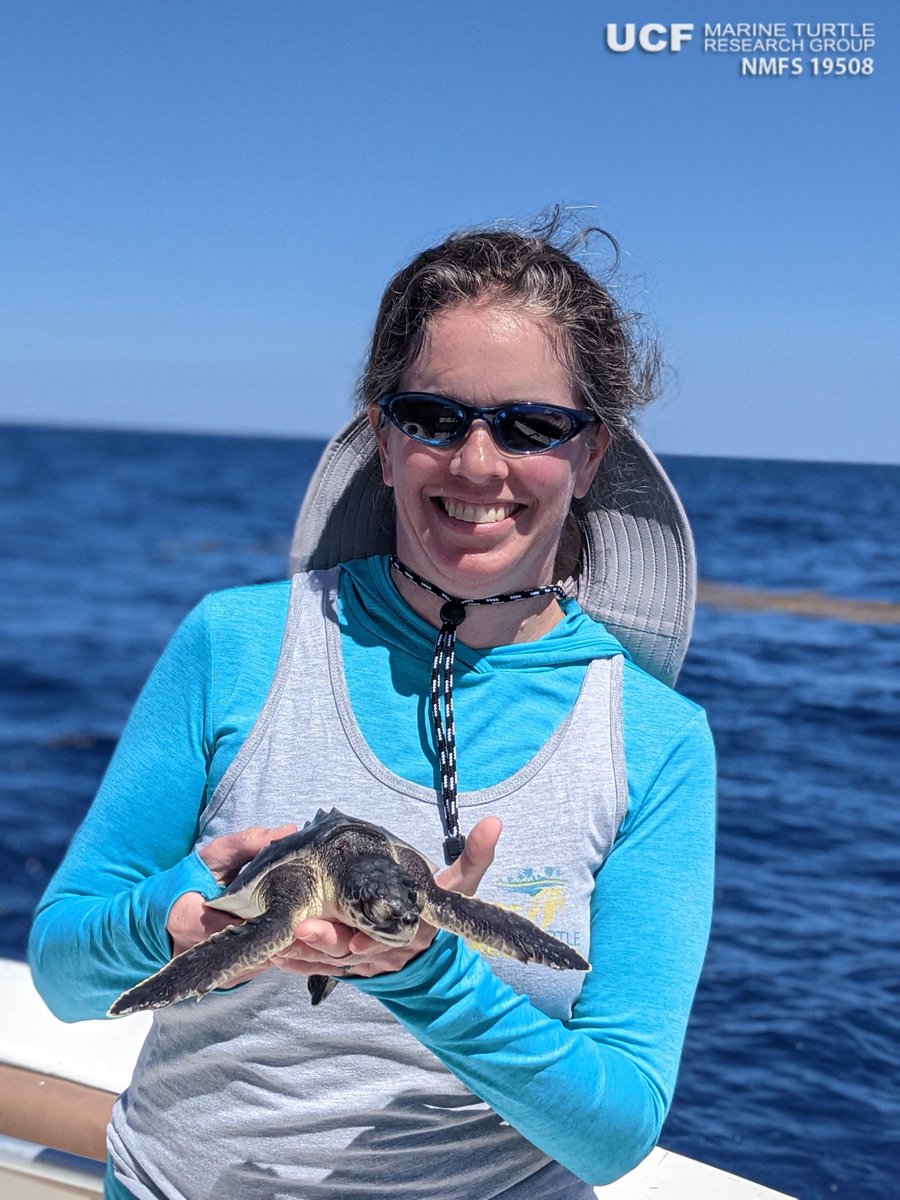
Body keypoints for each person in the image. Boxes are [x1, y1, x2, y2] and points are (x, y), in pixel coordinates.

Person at [29, 215, 716, 1200]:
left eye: (529, 426)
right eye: (434, 416)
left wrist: (420, 970)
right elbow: (61, 973)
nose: (478, 464)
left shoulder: (657, 744)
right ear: (385, 440)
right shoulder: (234, 644)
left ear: (590, 452)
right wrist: (184, 917)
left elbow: (614, 1131)